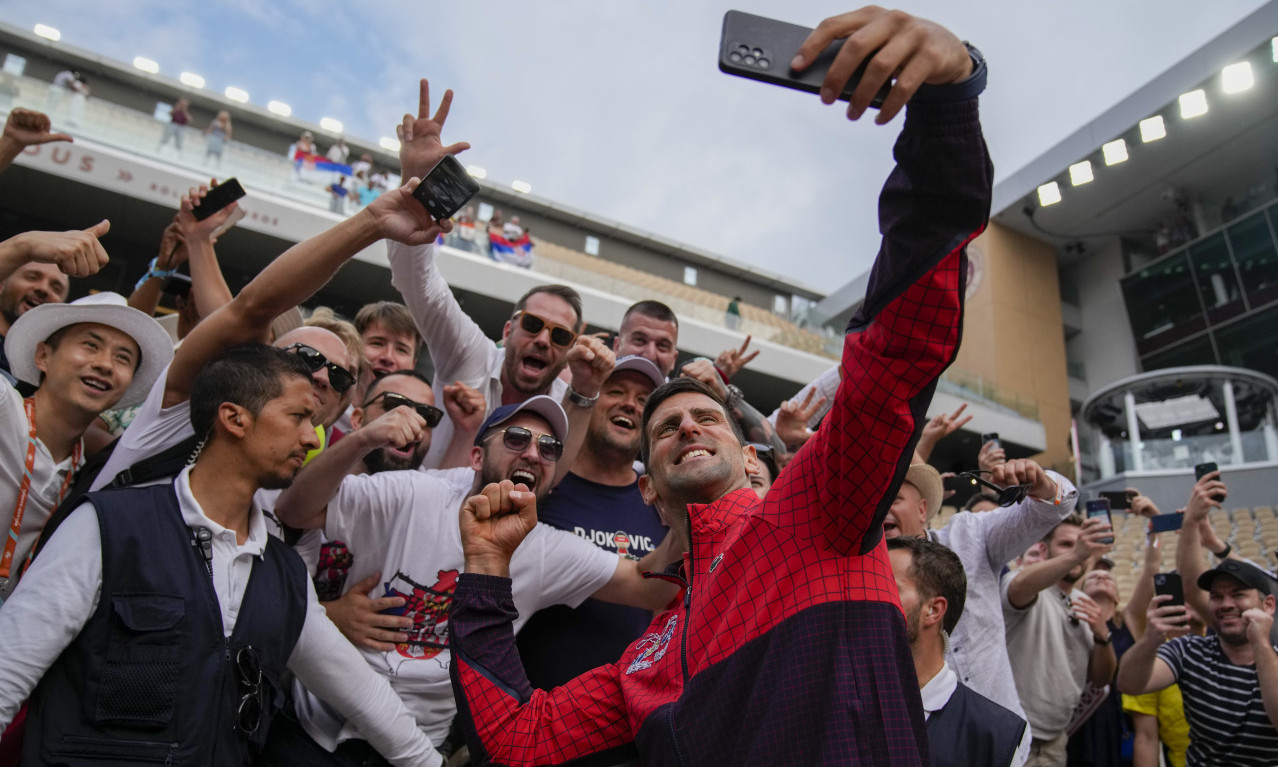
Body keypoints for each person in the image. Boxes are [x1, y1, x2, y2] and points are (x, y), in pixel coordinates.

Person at [446, 8, 991, 763]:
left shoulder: (818, 509)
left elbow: (895, 357)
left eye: (706, 416)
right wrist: (483, 571)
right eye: (663, 428)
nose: (687, 427)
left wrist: (947, 111)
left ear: (747, 453)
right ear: (647, 487)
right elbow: (517, 735)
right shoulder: (651, 654)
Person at [0, 345, 441, 766]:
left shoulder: (284, 573)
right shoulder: (110, 527)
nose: (312, 437)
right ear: (234, 418)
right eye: (298, 417)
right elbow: (8, 673)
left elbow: (363, 694)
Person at [268, 395, 679, 763]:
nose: (535, 454)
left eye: (550, 449)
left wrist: (686, 507)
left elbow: (648, 586)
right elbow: (293, 510)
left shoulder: (546, 548)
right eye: (517, 439)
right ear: (478, 457)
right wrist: (361, 440)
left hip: (417, 747)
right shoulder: (415, 493)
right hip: (312, 730)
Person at [90, 175, 449, 491]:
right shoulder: (188, 415)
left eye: (341, 376)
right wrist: (373, 223)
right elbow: (251, 308)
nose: (322, 376)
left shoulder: (288, 506)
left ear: (342, 407)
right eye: (305, 358)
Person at [388, 80, 617, 474]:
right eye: (533, 325)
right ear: (509, 329)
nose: (544, 340)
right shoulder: (469, 354)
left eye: (560, 335)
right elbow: (418, 282)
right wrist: (417, 190)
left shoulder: (571, 401)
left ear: (568, 349)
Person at [0, 292, 171, 601]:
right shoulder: (3, 407)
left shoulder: (91, 475)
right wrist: (24, 248)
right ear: (43, 356)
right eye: (90, 345)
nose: (105, 364)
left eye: (123, 358)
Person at [883, 458, 1078, 722]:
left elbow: (1052, 508)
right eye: (873, 503)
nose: (881, 509)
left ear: (922, 510)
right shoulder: (860, 580)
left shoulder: (970, 535)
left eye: (893, 499)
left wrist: (1043, 484)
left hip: (1009, 743)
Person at [516, 355, 669, 688]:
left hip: (620, 718)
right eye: (616, 391)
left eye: (644, 401)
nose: (630, 405)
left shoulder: (662, 506)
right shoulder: (540, 488)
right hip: (526, 711)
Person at [1117, 558, 1278, 766]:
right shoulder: (1189, 650)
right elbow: (1128, 683)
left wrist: (1261, 643)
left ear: (1268, 605)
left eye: (1238, 595)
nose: (1226, 605)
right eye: (1216, 597)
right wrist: (1150, 638)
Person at [887, 536, 1029, 767]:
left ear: (933, 609)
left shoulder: (991, 734)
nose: (868, 599)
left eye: (887, 587)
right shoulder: (839, 707)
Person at [1002, 515, 1117, 766]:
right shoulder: (1029, 583)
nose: (1079, 550)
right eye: (1067, 544)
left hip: (1056, 740)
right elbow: (1018, 588)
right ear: (1044, 549)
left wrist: (1102, 636)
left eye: (1082, 545)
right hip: (1013, 736)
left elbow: (1100, 679)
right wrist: (1076, 555)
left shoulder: (1085, 602)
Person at [0, 219, 102, 378]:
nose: (43, 289)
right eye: (32, 277)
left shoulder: (47, 375)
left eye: (56, 288)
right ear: (2, 285)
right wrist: (23, 246)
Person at [614, 300, 679, 378]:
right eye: (640, 340)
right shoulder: (596, 384)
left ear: (673, 359)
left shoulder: (688, 390)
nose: (650, 356)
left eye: (663, 345)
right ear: (617, 346)